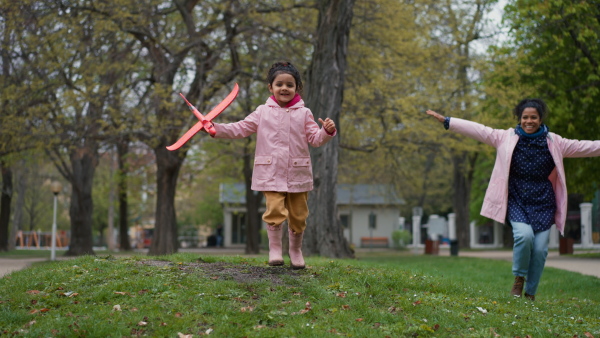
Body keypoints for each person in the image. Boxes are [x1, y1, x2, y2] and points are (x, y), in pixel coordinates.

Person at [426, 99, 600, 300]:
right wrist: (449, 121)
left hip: (543, 201)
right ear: (520, 118)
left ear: (540, 118)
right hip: (516, 198)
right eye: (525, 117)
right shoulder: (505, 138)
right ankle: (519, 279)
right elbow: (480, 130)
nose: (529, 121)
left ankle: (530, 294)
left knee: (541, 250)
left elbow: (585, 146)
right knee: (524, 236)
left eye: (533, 117)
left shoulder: (555, 142)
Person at [209, 61, 337, 269]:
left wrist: (327, 132)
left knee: (298, 215)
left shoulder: (304, 114)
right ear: (271, 87)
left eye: (289, 84)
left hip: (297, 173)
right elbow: (240, 128)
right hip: (270, 172)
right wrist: (216, 129)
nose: (284, 88)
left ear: (297, 88)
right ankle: (275, 249)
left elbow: (315, 139)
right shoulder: (262, 112)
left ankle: (295, 251)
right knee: (275, 210)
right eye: (279, 84)